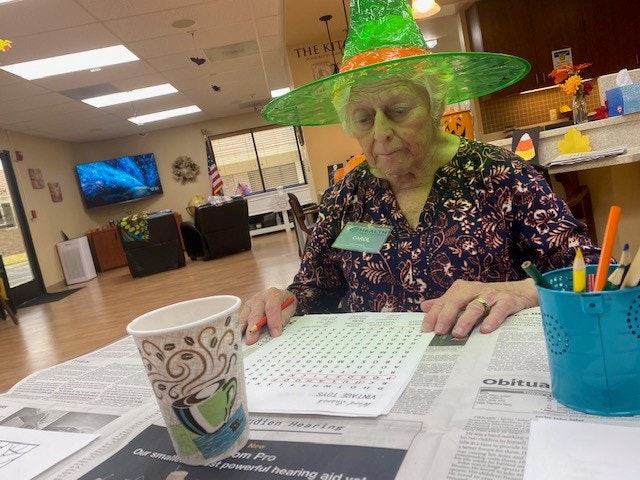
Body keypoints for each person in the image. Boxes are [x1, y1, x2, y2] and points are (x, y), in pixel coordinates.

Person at [240, 0, 600, 343]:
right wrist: (282, 300)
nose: (380, 132)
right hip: (376, 373)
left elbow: (596, 273)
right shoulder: (345, 197)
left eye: (398, 109)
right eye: (364, 118)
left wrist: (519, 291)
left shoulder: (503, 176)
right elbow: (314, 288)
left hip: (482, 360)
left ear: (434, 105)